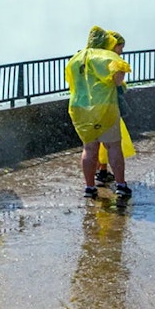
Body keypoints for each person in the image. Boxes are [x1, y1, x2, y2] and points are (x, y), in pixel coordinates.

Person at [66, 26, 133, 199]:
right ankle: (121, 185)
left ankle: (89, 187)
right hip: (103, 108)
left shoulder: (76, 59)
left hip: (80, 109)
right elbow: (117, 79)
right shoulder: (104, 56)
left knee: (89, 149)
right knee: (113, 146)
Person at [95, 31, 135, 185]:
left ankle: (102, 170)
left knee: (97, 142)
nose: (121, 51)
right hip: (107, 105)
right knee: (110, 143)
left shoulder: (95, 59)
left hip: (93, 107)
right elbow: (116, 83)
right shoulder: (109, 61)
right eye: (120, 47)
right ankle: (110, 176)